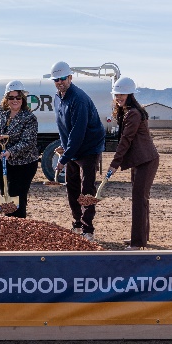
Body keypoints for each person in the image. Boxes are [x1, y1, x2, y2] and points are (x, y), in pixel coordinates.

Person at [51, 61, 106, 241]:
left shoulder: (78, 99)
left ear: (70, 78)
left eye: (62, 78)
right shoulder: (57, 98)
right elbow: (63, 126)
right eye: (56, 79)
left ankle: (88, 229)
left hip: (89, 149)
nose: (59, 82)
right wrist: (63, 145)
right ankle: (77, 223)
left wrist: (65, 157)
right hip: (72, 148)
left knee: (86, 190)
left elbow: (78, 132)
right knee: (72, 187)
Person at [107, 77, 160, 250]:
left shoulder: (134, 114)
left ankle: (138, 243)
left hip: (146, 160)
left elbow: (126, 140)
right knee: (141, 200)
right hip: (140, 161)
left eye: (122, 94)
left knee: (139, 200)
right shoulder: (127, 112)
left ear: (130, 94)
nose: (118, 97)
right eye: (116, 94)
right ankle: (140, 238)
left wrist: (114, 164)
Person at [0, 81, 39, 218]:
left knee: (17, 196)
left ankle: (18, 228)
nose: (15, 100)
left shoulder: (29, 117)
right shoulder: (0, 111)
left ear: (23, 99)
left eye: (18, 97)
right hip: (1, 160)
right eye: (11, 97)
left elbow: (28, 141)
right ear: (6, 98)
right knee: (5, 193)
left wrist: (11, 152)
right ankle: (7, 225)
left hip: (23, 164)